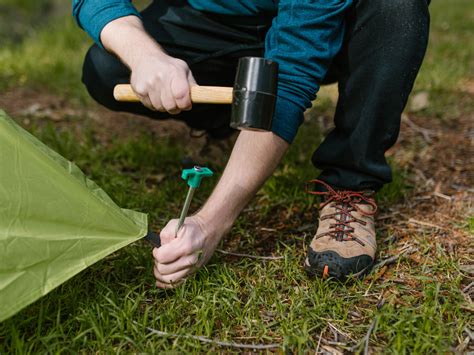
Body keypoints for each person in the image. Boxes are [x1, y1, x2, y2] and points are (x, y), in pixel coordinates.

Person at [73, 0, 430, 285]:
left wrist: (209, 225)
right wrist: (144, 55)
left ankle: (350, 184)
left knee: (396, 7)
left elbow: (289, 80)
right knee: (107, 66)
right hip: (213, 18)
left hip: (332, 21)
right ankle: (227, 120)